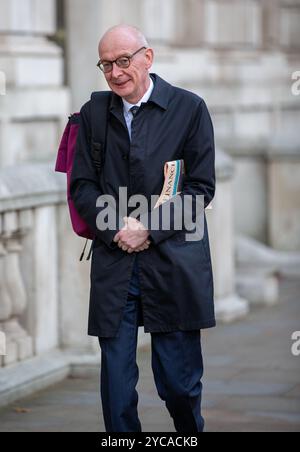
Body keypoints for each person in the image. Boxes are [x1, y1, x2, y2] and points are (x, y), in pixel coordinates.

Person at [70, 24, 216, 433]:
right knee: (116, 387)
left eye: (123, 61)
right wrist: (117, 228)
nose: (115, 73)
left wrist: (148, 229)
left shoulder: (190, 109)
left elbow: (200, 188)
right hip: (115, 261)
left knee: (179, 384)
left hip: (174, 262)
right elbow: (81, 186)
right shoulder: (93, 114)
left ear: (147, 58)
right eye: (106, 65)